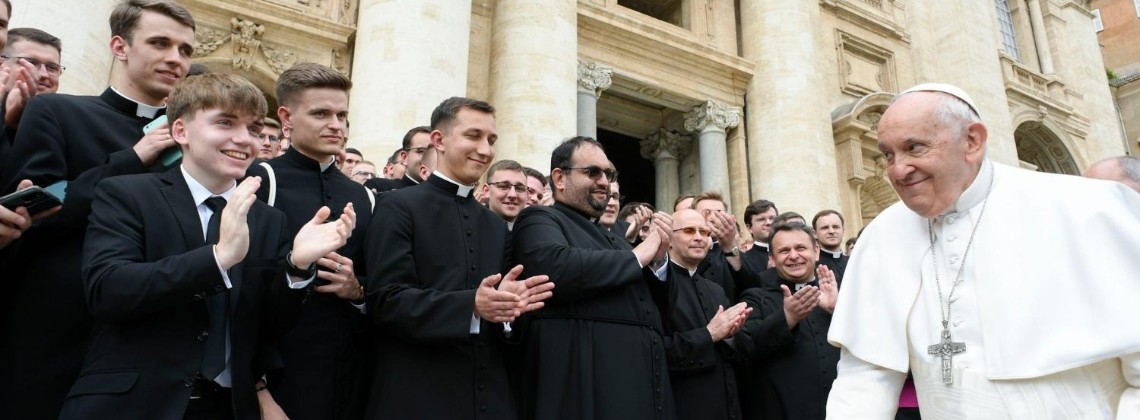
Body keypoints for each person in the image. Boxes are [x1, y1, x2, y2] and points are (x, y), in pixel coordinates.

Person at [827, 83, 1140, 418]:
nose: (897, 170)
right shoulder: (882, 236)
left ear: (972, 141)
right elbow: (865, 378)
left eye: (914, 147)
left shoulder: (1089, 210)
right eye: (888, 154)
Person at [57, 72, 354, 420]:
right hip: (133, 403)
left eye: (255, 129)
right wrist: (217, 259)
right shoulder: (127, 193)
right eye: (226, 123)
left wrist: (297, 267)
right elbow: (107, 291)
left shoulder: (268, 219)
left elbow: (268, 325)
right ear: (181, 131)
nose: (244, 140)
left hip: (227, 407)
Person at [0, 2, 196, 418]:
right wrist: (132, 158)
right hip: (61, 331)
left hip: (152, 340)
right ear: (119, 46)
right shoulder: (57, 110)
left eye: (185, 50)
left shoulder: (195, 139)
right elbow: (37, 209)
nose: (174, 58)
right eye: (160, 43)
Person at [362, 97, 553, 420]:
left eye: (491, 140)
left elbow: (504, 324)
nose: (485, 149)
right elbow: (386, 301)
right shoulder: (398, 207)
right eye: (473, 136)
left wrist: (509, 311)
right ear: (439, 140)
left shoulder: (494, 224)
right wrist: (473, 306)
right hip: (416, 395)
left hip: (490, 397)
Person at [512, 136, 677, 420]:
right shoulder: (541, 218)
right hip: (585, 381)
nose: (605, 182)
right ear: (559, 178)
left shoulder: (612, 237)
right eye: (592, 172)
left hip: (640, 382)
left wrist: (660, 259)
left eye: (609, 174)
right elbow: (554, 268)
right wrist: (641, 253)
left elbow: (656, 304)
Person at [245, 62, 374, 420]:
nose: (336, 124)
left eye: (342, 115)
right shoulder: (261, 179)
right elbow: (240, 292)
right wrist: (257, 388)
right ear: (286, 118)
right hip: (279, 374)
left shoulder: (364, 197)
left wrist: (357, 290)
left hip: (346, 379)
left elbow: (378, 285)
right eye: (321, 113)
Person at [655, 208, 752, 420]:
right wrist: (709, 334)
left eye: (705, 232)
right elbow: (654, 351)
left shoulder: (715, 289)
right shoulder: (655, 285)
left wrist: (732, 335)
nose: (699, 238)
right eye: (689, 231)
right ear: (669, 240)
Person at [738, 222, 839, 420]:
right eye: (784, 251)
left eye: (800, 248)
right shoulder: (755, 298)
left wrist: (837, 311)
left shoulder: (838, 296)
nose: (793, 256)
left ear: (816, 251)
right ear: (772, 259)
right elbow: (745, 348)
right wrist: (787, 318)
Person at [481, 159, 528, 228]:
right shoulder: (468, 227)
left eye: (520, 188)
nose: (513, 195)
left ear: (527, 195)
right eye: (503, 186)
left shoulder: (534, 234)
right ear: (486, 191)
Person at [741, 199, 777, 276]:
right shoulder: (744, 261)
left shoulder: (791, 253)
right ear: (749, 228)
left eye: (772, 218)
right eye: (761, 219)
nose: (768, 222)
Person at [811, 209, 849, 283]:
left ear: (843, 230)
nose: (831, 231)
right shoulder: (811, 266)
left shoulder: (853, 261)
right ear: (814, 233)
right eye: (825, 228)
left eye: (836, 227)